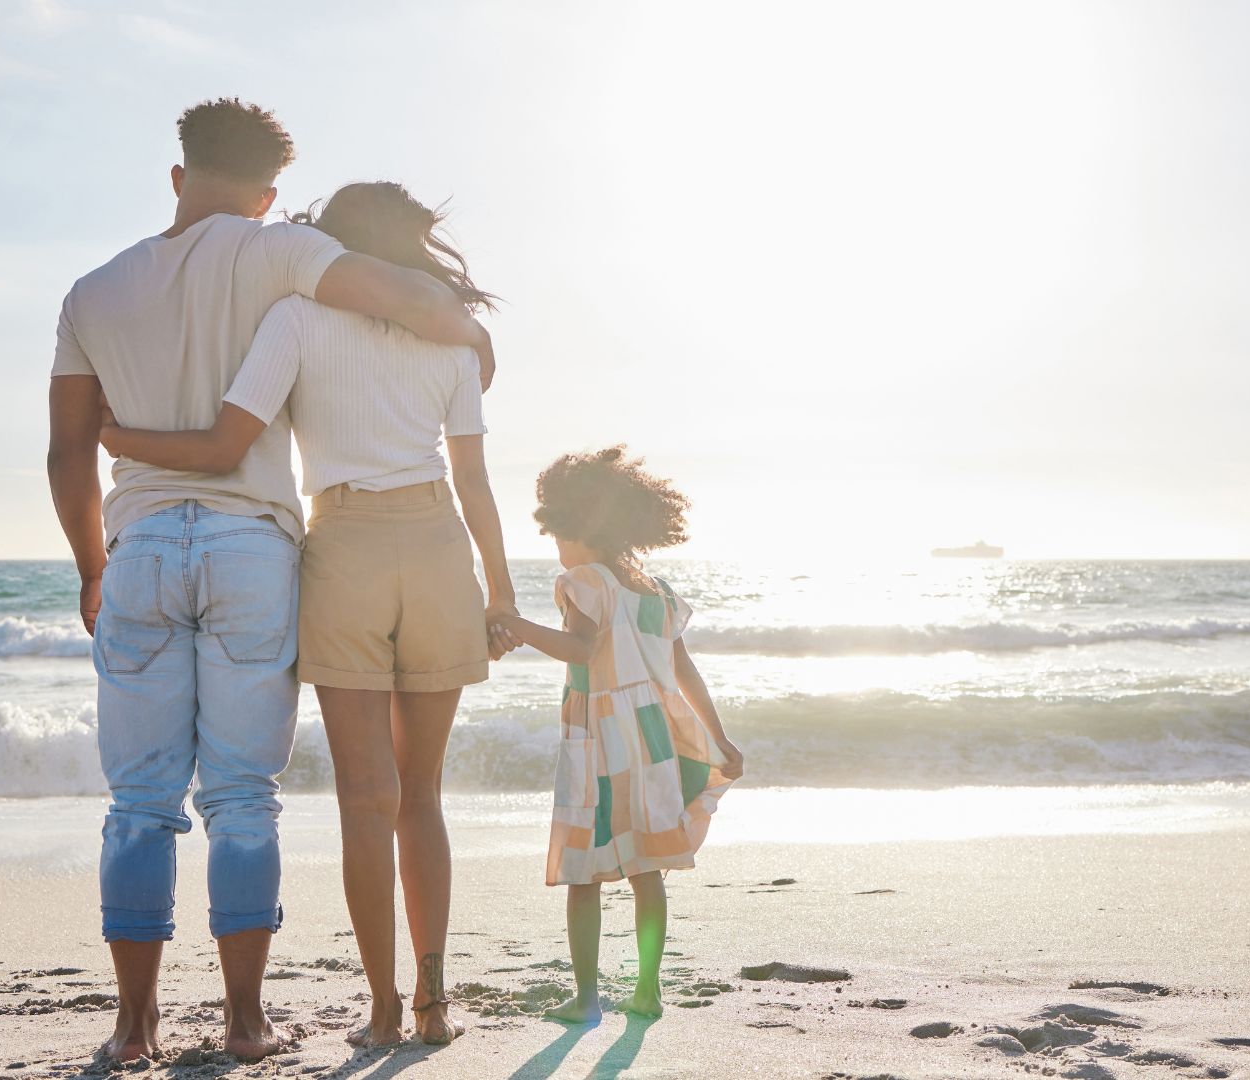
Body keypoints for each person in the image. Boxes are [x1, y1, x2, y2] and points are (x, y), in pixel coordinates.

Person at [46, 99, 494, 1063]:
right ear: (268, 194)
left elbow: (69, 454)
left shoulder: (93, 291)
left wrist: (93, 566)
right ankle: (257, 1020)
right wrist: (473, 338)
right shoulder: (280, 258)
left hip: (150, 543)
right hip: (275, 548)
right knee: (251, 797)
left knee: (140, 802)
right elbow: (419, 312)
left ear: (177, 175)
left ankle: (135, 1025)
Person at [492, 447, 744, 1022]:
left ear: (580, 527)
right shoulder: (655, 591)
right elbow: (686, 672)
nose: (554, 547)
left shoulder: (584, 581)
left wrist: (517, 626)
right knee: (644, 868)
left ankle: (585, 1000)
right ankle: (647, 991)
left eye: (556, 533)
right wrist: (720, 737)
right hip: (652, 742)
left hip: (600, 739)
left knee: (585, 869)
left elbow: (580, 650)